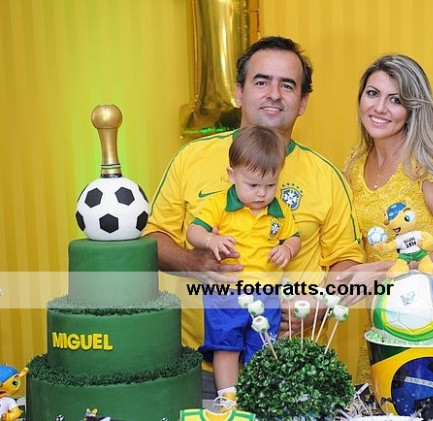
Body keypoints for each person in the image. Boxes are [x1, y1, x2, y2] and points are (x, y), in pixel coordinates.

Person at [144, 36, 365, 398]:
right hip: (200, 370)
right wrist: (193, 261)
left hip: (291, 367)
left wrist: (320, 305)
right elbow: (153, 241)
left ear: (303, 102)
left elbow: (349, 261)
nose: (273, 94)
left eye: (287, 85)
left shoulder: (326, 177)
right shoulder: (191, 159)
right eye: (261, 81)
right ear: (239, 92)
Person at [338, 54, 433, 382]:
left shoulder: (427, 166)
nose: (380, 108)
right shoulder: (354, 165)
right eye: (373, 93)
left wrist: (384, 269)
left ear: (412, 109)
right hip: (379, 324)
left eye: (395, 100)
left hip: (425, 323)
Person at [186, 125, 301, 408]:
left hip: (266, 295)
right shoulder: (218, 205)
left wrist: (287, 248)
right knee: (226, 346)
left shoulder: (279, 211)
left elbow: (294, 236)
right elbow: (193, 232)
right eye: (253, 185)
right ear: (231, 175)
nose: (262, 193)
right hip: (226, 294)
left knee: (263, 347)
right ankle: (228, 400)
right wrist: (211, 240)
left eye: (270, 186)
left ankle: (256, 399)